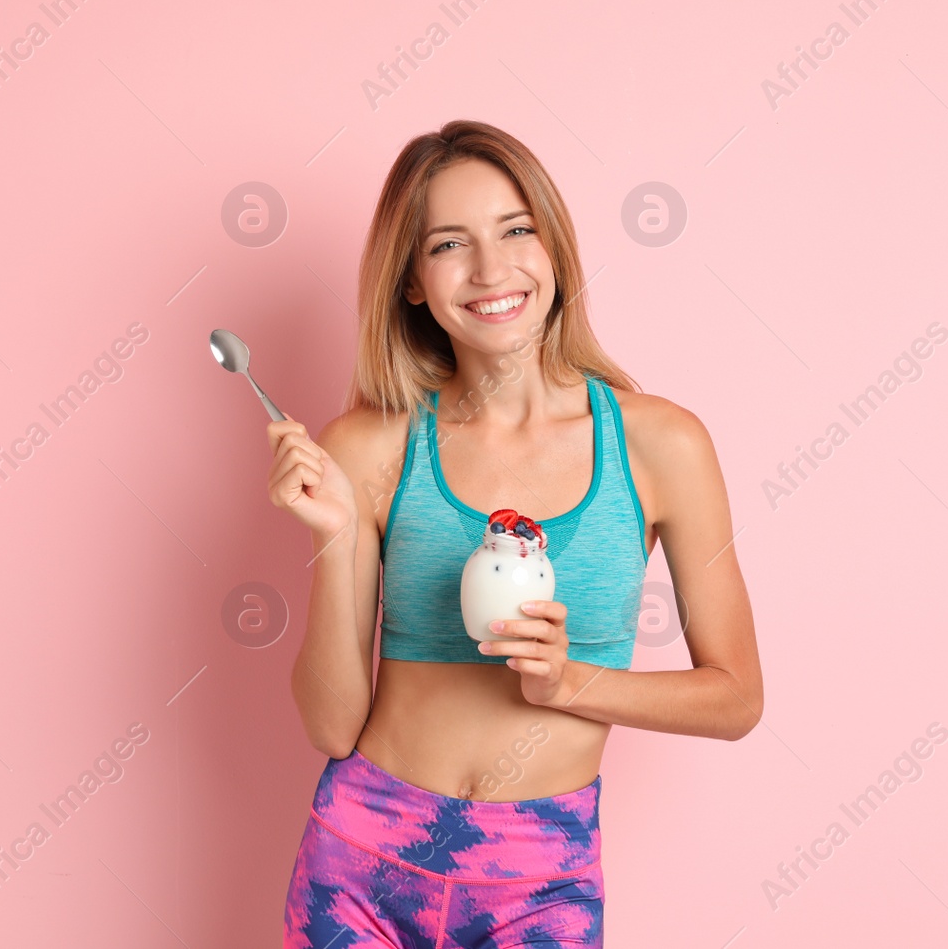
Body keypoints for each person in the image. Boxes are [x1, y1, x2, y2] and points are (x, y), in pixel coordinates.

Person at [267, 119, 763, 947]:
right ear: (414, 282)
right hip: (360, 857)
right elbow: (330, 727)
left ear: (555, 251)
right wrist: (333, 537)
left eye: (516, 230)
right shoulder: (368, 444)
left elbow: (737, 697)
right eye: (450, 243)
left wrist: (571, 683)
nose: (491, 270)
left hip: (542, 876)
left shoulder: (661, 445)